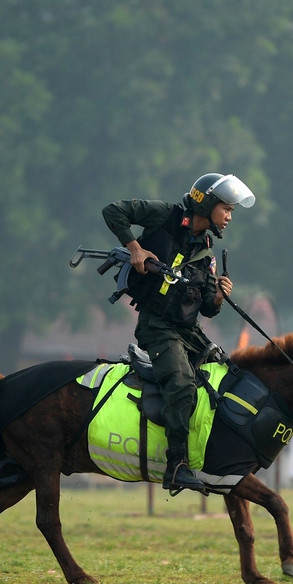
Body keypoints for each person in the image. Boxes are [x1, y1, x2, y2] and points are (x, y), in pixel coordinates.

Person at [102, 173, 255, 492]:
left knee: (231, 375)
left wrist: (217, 297)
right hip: (156, 326)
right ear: (208, 203)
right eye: (226, 209)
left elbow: (207, 309)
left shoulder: (208, 253)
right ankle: (176, 466)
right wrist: (135, 248)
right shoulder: (164, 215)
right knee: (183, 383)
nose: (229, 217)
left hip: (190, 330)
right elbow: (113, 211)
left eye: (231, 212)